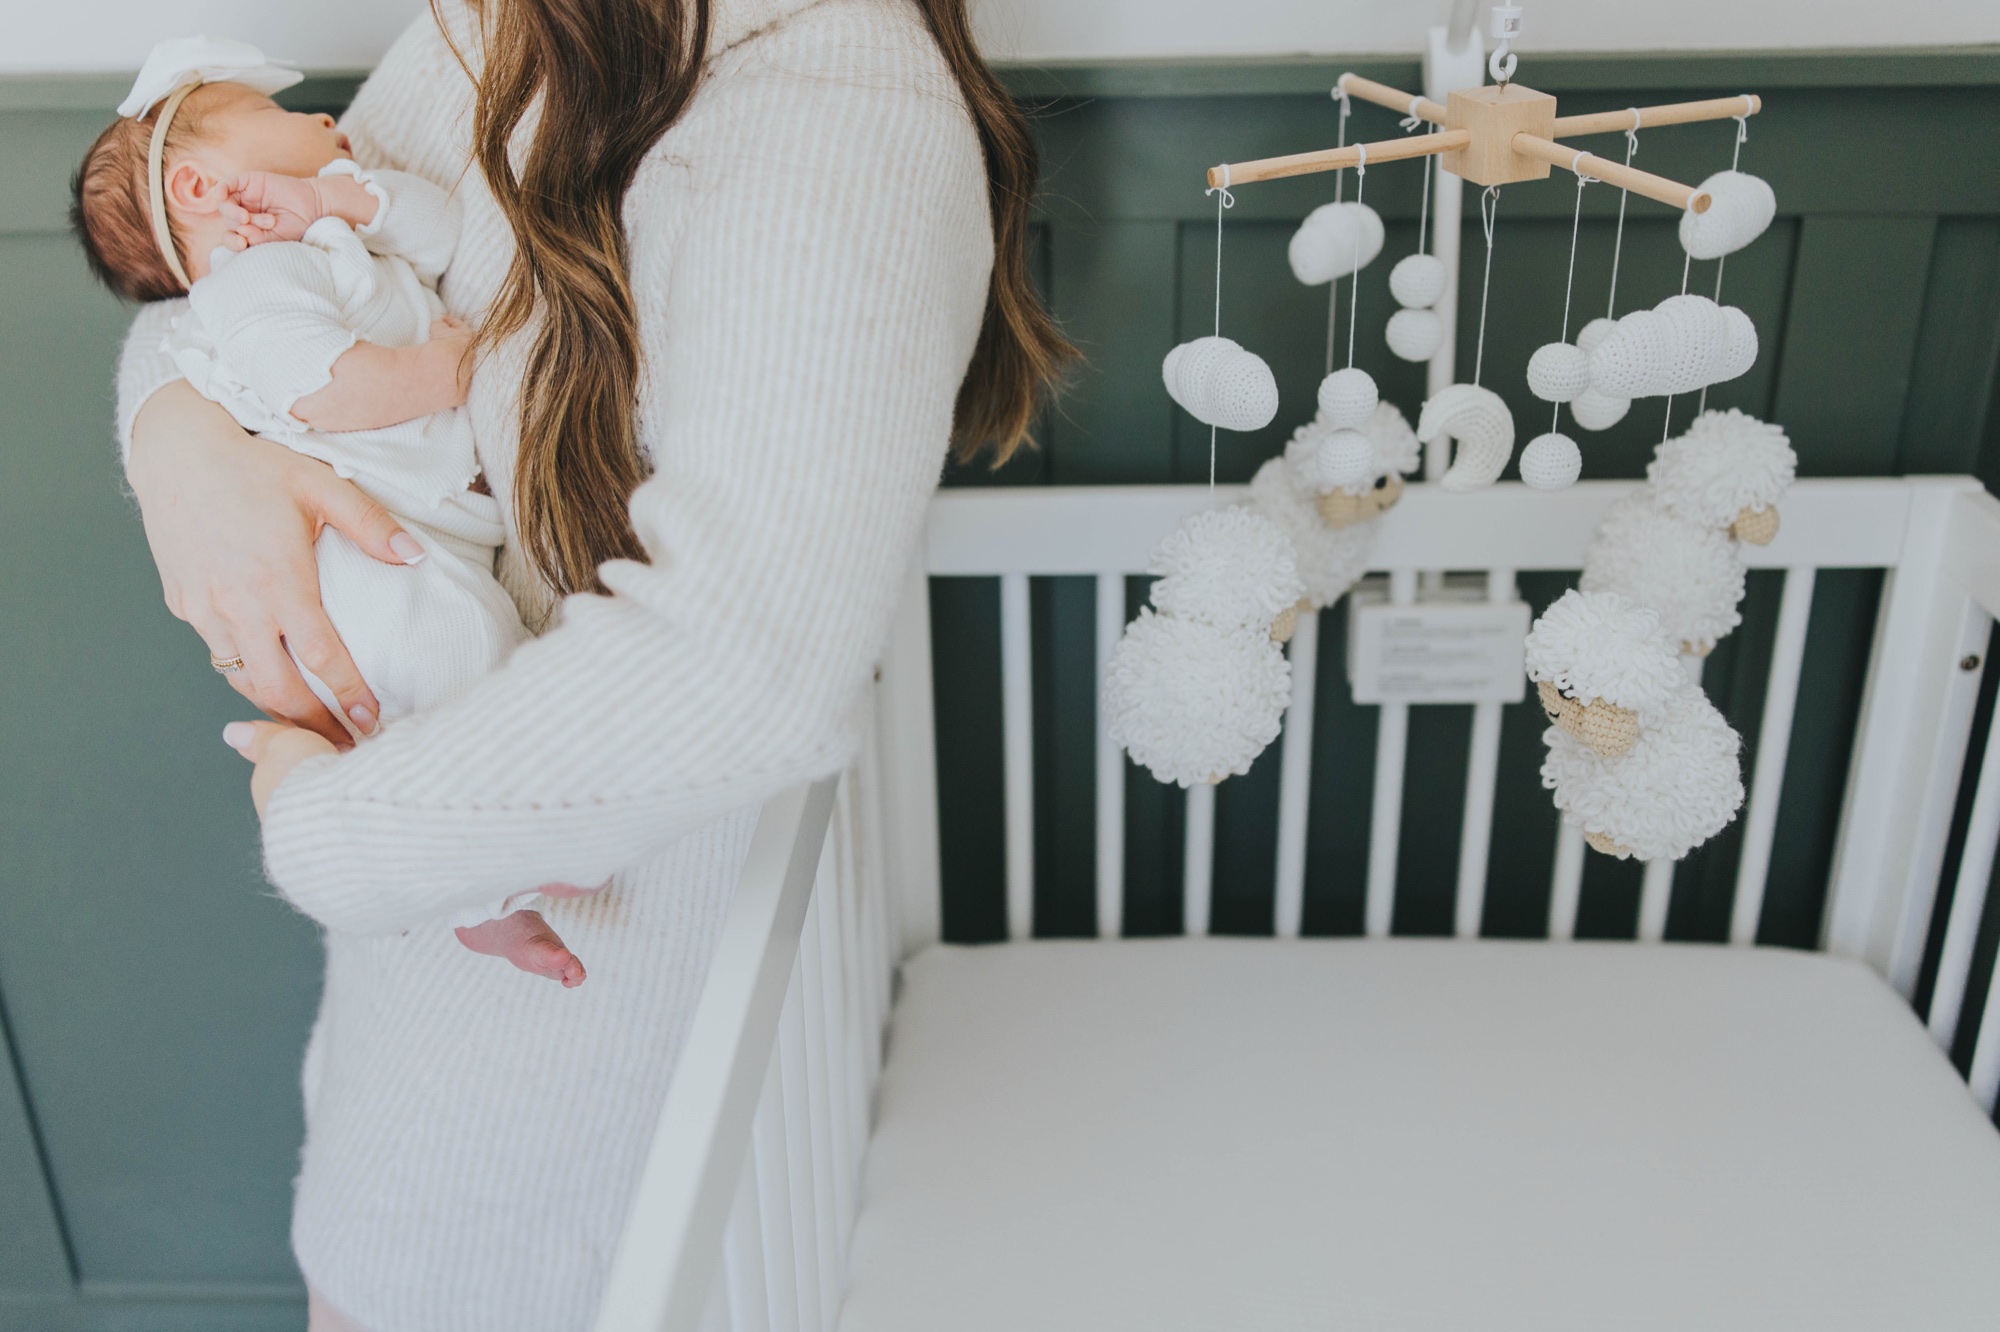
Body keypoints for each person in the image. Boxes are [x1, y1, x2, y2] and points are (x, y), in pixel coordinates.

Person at [114, 0, 1072, 1326]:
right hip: (425, 1003)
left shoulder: (830, 122)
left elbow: (743, 668)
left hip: (582, 1057)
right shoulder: (512, 29)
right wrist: (181, 441)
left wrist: (328, 835)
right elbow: (232, 269)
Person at [77, 38, 593, 986]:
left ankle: (481, 883)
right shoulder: (251, 289)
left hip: (413, 532)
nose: (322, 118)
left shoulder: (323, 241)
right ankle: (483, 880)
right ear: (199, 188)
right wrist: (441, 371)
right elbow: (320, 389)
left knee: (480, 667)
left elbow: (442, 232)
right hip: (359, 557)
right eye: (276, 117)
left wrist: (338, 199)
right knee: (464, 660)